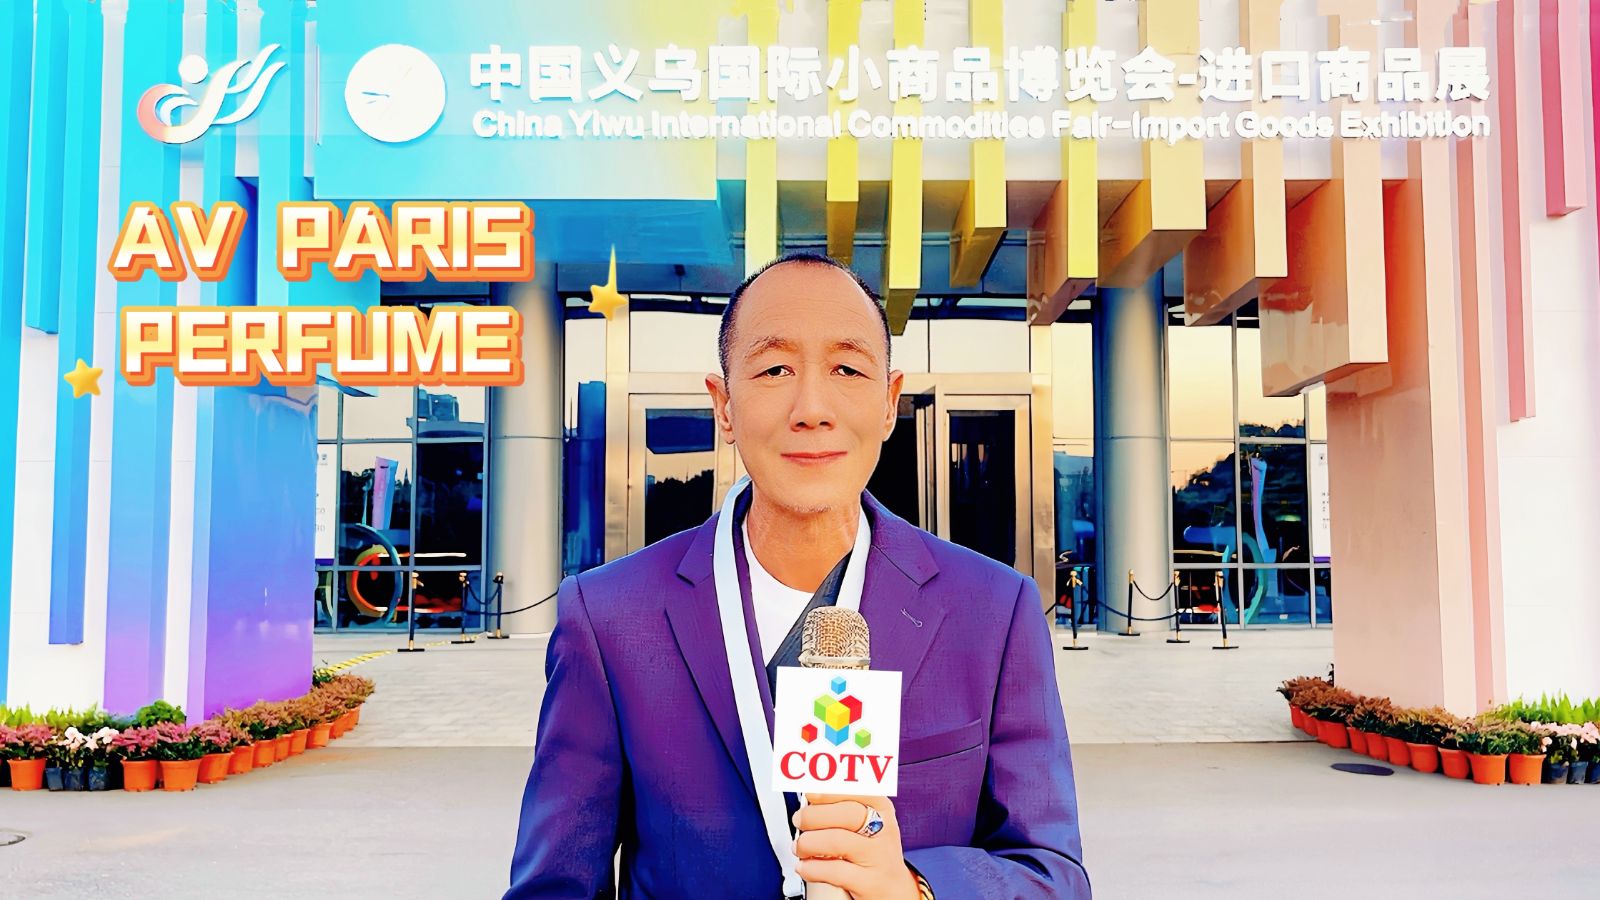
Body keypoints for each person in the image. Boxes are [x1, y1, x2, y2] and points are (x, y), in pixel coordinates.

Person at [507, 252, 1091, 899]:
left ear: (889, 401)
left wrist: (918, 889)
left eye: (847, 369)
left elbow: (1053, 876)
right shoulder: (610, 617)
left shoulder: (993, 611)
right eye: (775, 369)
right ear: (724, 405)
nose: (812, 408)